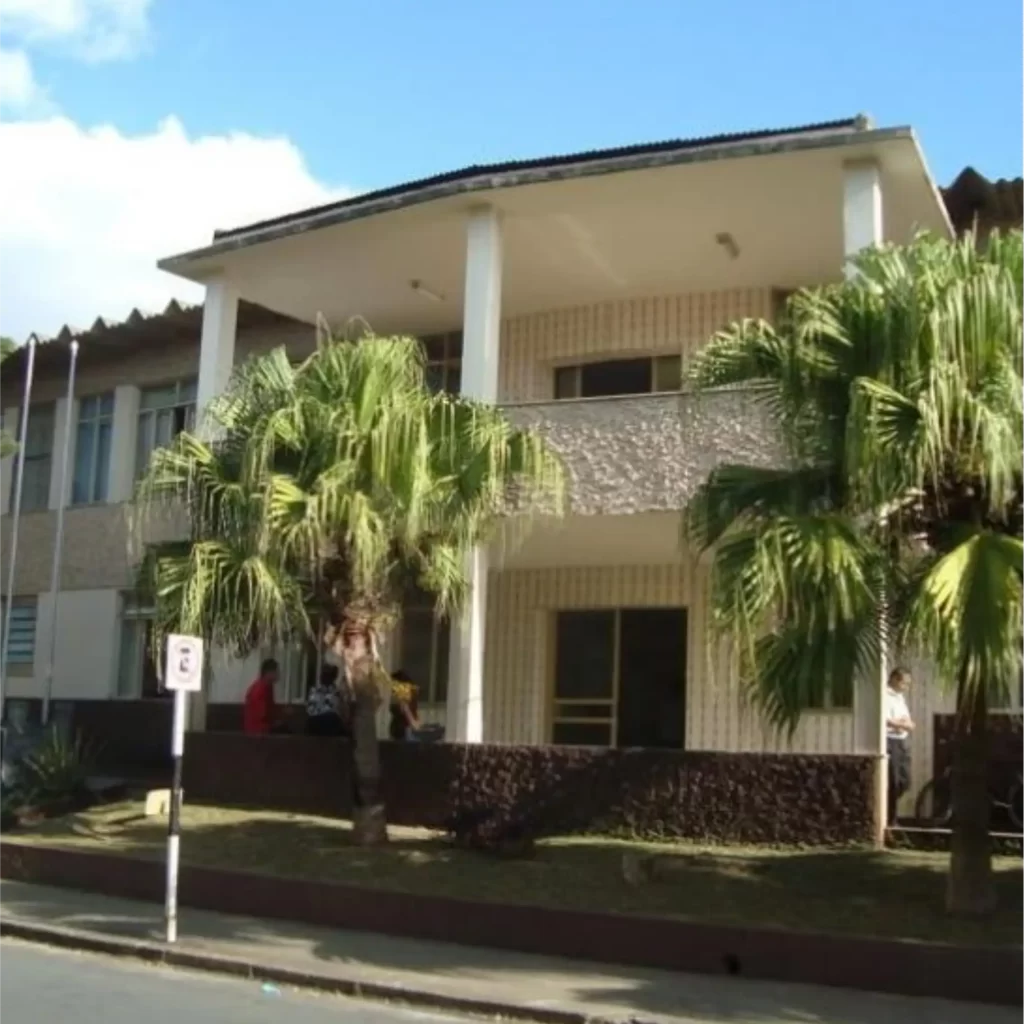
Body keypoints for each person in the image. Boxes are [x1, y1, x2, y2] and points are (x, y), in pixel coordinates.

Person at [885, 667, 914, 825]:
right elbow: (886, 720)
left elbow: (907, 720)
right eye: (905, 683)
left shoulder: (899, 698)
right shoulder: (885, 695)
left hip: (902, 740)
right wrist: (900, 724)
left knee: (905, 781)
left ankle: (890, 811)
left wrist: (905, 724)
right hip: (891, 740)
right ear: (895, 679)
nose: (906, 687)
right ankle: (891, 818)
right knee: (894, 781)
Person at [243, 658, 286, 736]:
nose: (278, 674)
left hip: (264, 729)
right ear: (269, 673)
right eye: (276, 671)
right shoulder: (260, 690)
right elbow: (262, 715)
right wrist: (276, 721)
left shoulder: (268, 687)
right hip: (258, 733)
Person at [305, 663, 349, 737]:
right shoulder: (314, 690)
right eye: (323, 674)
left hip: (331, 722)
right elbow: (310, 710)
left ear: (332, 677)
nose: (323, 677)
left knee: (332, 719)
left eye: (327, 674)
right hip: (316, 721)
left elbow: (339, 710)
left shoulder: (337, 692)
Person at [388, 669, 421, 741]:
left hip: (403, 728)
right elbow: (413, 710)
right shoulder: (411, 693)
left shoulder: (402, 693)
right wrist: (416, 722)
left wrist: (413, 722)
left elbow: (405, 708)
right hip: (403, 728)